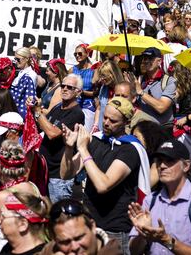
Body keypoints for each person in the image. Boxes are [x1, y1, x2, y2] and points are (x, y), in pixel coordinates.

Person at [60, 98, 147, 253]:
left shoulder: (129, 149)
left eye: (113, 121)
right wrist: (68, 148)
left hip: (113, 228)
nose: (106, 123)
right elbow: (66, 174)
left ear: (126, 122)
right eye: (105, 117)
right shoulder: (97, 140)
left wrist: (84, 150)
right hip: (89, 223)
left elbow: (103, 185)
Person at [128, 139, 191, 255]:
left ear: (186, 166)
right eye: (159, 161)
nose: (162, 166)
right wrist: (141, 234)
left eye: (169, 161)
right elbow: (133, 251)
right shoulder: (150, 200)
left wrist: (166, 240)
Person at [33, 74, 85, 202]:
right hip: (45, 170)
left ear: (78, 92)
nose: (65, 89)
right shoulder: (57, 107)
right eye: (63, 86)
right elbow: (42, 126)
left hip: (58, 176)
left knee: (58, 217)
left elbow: (51, 133)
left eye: (70, 87)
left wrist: (38, 112)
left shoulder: (77, 113)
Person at [44, 199, 121, 255]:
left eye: (79, 238)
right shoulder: (52, 249)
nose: (74, 247)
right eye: (65, 242)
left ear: (93, 227)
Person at [135, 48, 176, 126]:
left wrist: (141, 92)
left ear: (159, 61)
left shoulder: (169, 81)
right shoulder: (139, 80)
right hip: (143, 128)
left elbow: (161, 107)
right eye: (145, 58)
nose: (146, 61)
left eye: (150, 58)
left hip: (163, 130)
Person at [72, 44, 96, 129]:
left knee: (84, 131)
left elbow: (96, 93)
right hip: (73, 104)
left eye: (80, 53)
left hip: (88, 105)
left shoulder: (94, 70)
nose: (77, 56)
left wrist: (83, 92)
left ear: (87, 54)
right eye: (75, 54)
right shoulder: (72, 69)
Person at [11, 49, 38, 118]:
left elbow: (27, 96)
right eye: (15, 59)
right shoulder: (21, 72)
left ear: (26, 59)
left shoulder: (30, 74)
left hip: (22, 113)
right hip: (15, 110)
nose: (16, 61)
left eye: (18, 59)